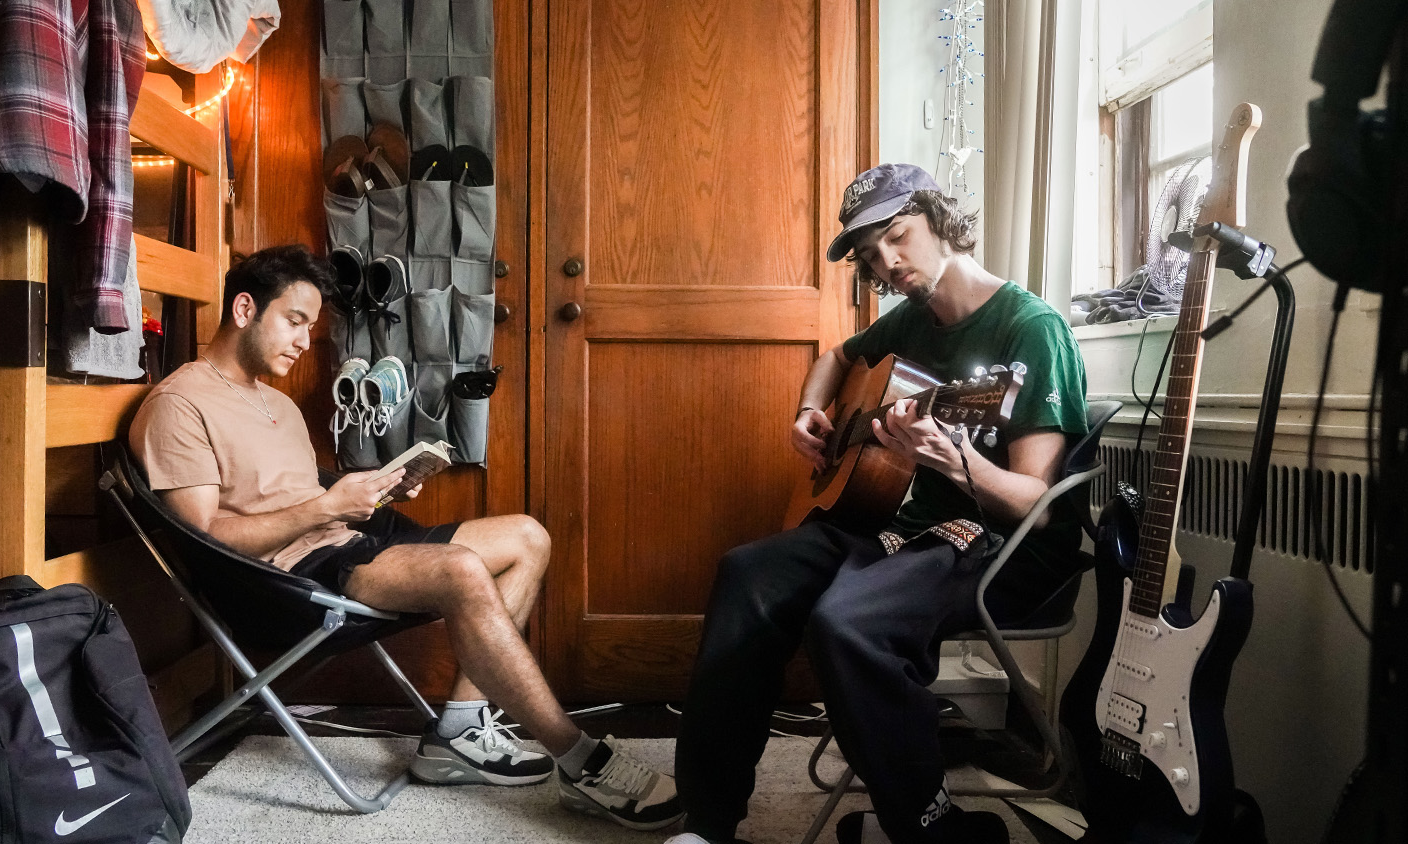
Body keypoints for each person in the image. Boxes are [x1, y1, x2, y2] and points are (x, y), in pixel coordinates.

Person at [129, 245, 682, 831]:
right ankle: (580, 760)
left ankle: (460, 732)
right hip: (286, 582)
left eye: (311, 327)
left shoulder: (278, 404)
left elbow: (289, 492)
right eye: (294, 321)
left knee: (527, 536)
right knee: (462, 569)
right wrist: (326, 506)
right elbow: (204, 537)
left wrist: (370, 491)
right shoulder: (181, 404)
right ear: (244, 308)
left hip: (345, 542)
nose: (303, 339)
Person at [665, 164, 1089, 844]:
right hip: (900, 525)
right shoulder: (910, 326)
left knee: (847, 621)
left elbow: (1034, 505)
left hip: (998, 545)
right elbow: (836, 357)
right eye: (870, 256)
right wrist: (809, 412)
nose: (888, 263)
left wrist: (957, 458)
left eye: (898, 236)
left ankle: (932, 825)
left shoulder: (1030, 329)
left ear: (940, 222)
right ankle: (710, 821)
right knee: (748, 573)